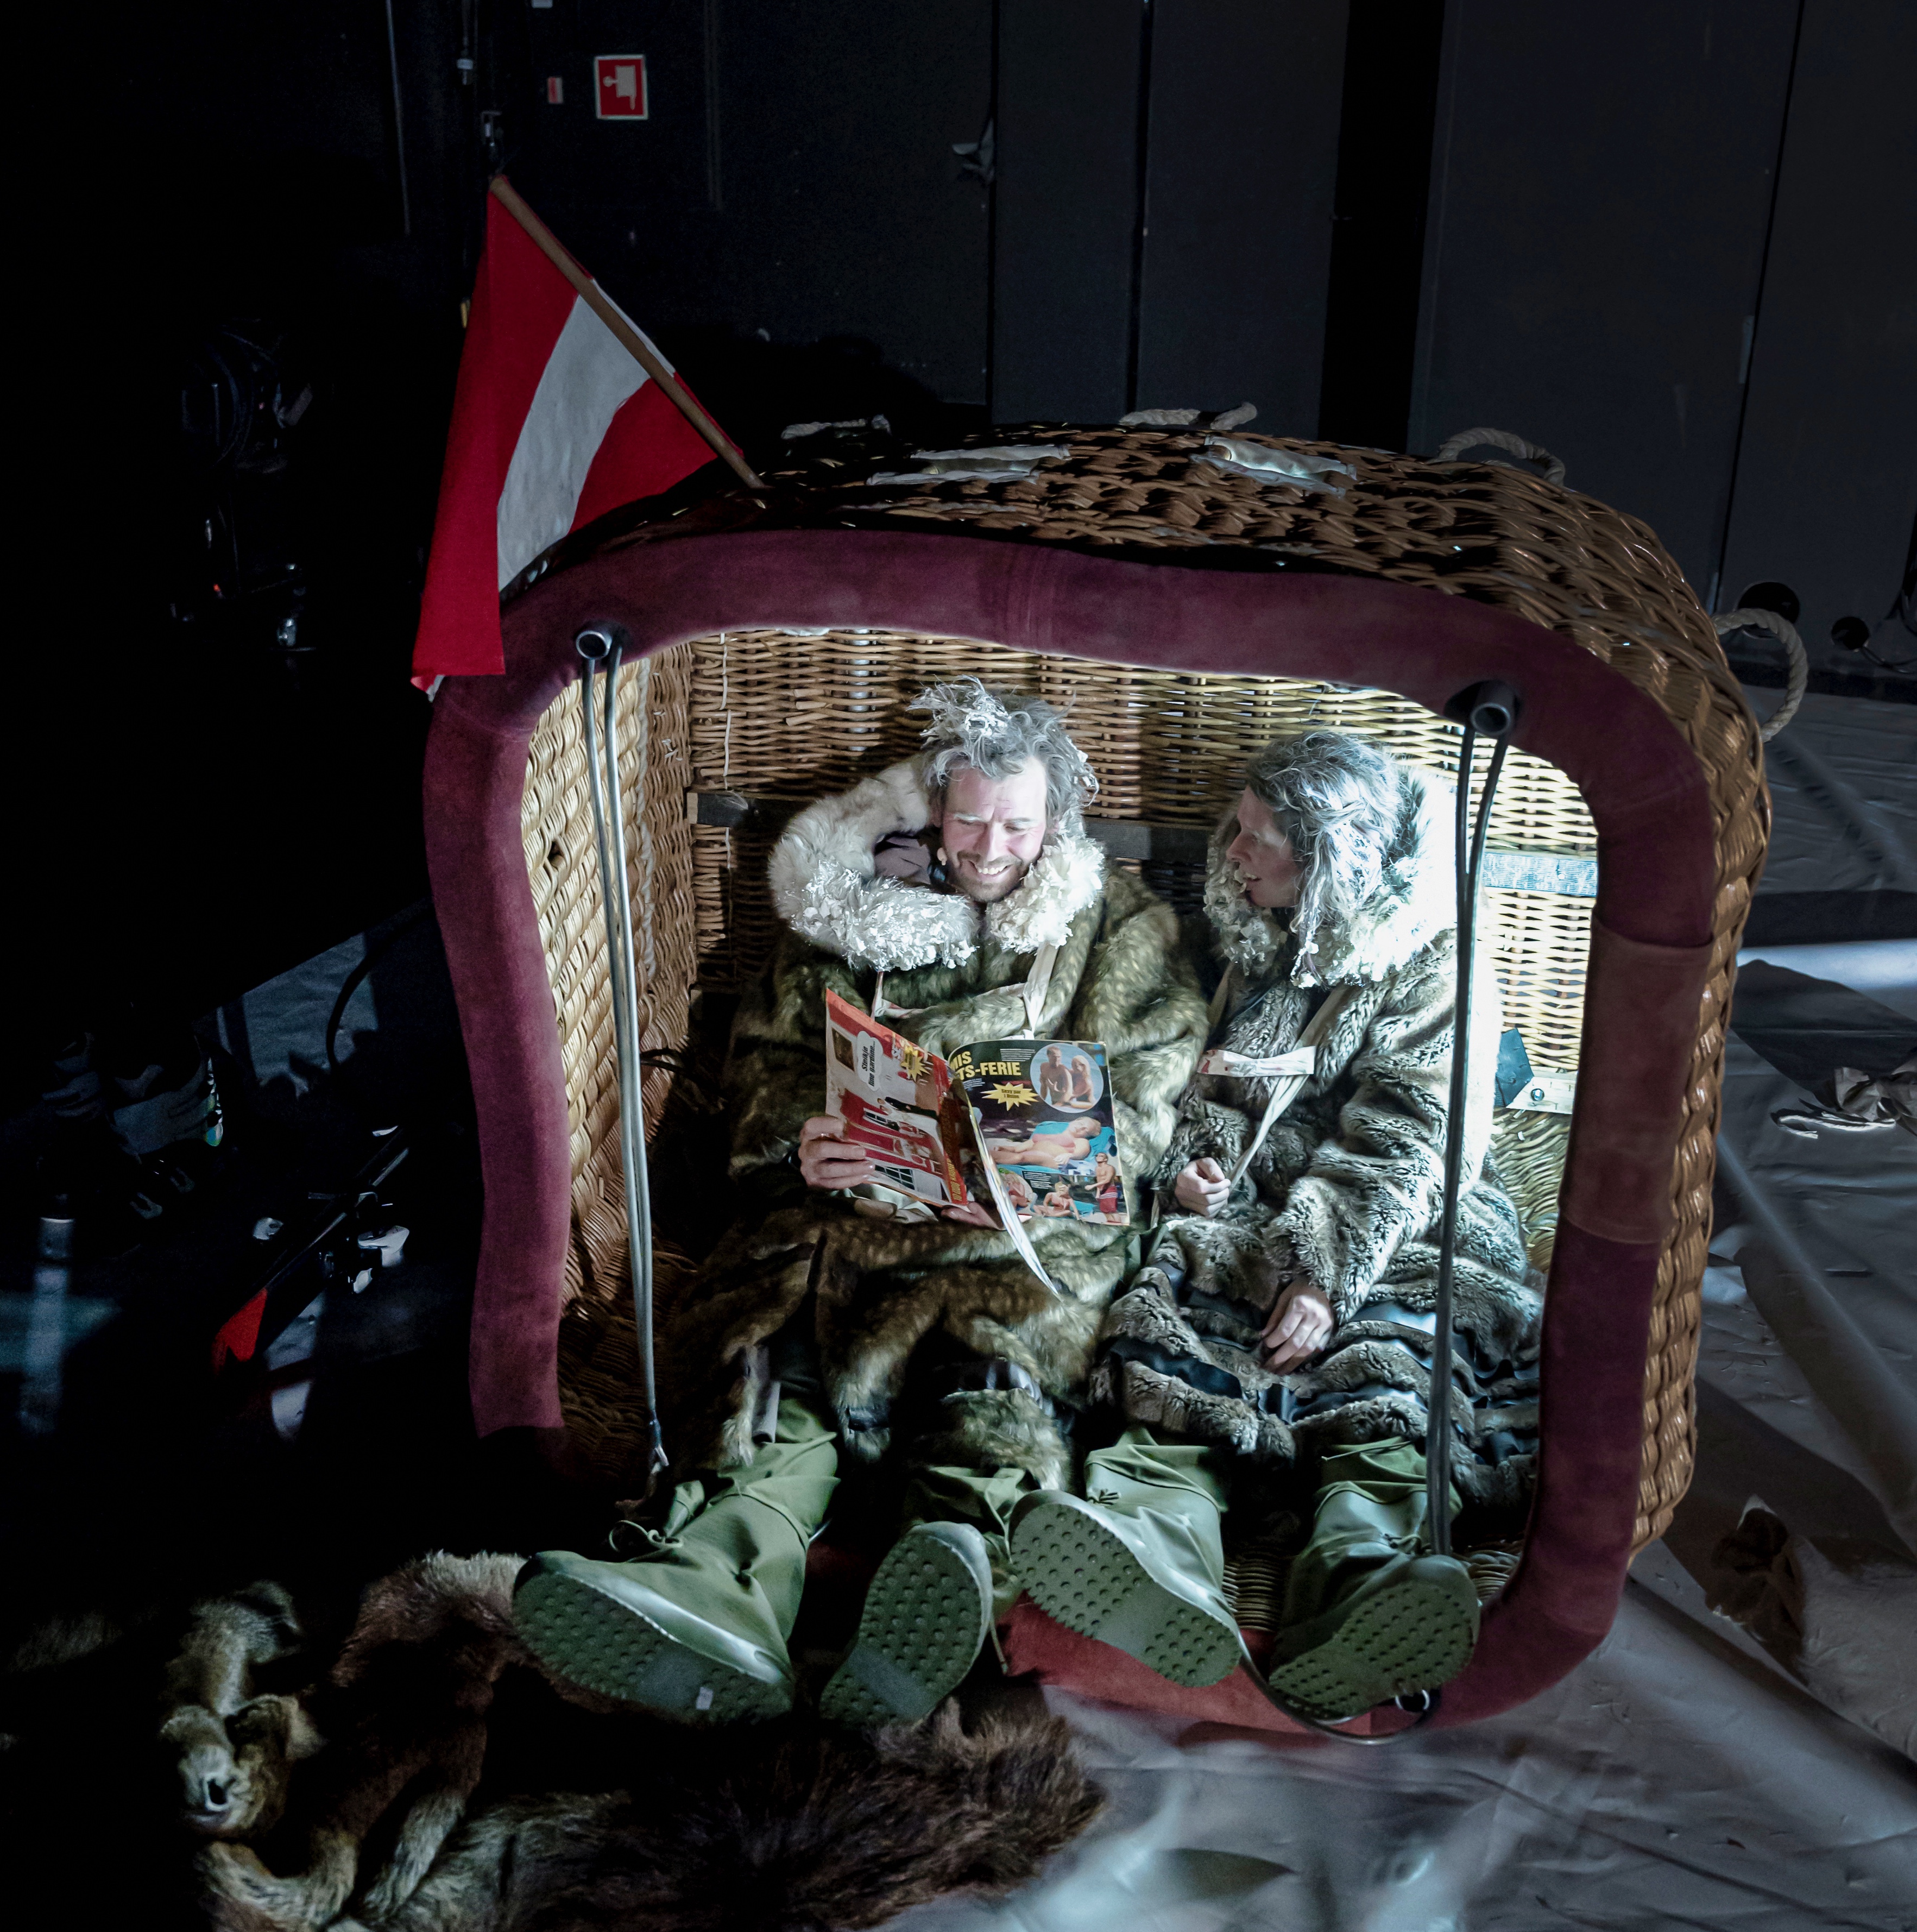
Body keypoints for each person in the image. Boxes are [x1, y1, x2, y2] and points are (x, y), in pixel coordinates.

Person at [514, 679, 1207, 1728]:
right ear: (935, 807)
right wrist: (805, 1137)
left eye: (1018, 825)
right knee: (771, 1361)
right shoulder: (848, 911)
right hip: (843, 1217)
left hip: (1022, 1239)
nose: (990, 848)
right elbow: (770, 1055)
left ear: (1057, 821)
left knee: (999, 1381)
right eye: (969, 820)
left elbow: (1154, 1081)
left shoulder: (1120, 929)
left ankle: (952, 1571)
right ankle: (720, 1579)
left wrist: (1044, 1169)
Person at [1011, 729, 1544, 1720]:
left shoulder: (1433, 956)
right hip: (1252, 1188)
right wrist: (1191, 1163)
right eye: (1238, 828)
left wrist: (1324, 1270)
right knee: (1177, 1313)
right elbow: (1204, 1069)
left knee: (1392, 1355)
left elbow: (1416, 1128)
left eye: (1259, 838)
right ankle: (1154, 1543)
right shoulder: (1253, 934)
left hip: (1394, 1207)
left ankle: (1364, 1580)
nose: (1234, 851)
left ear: (1326, 857)